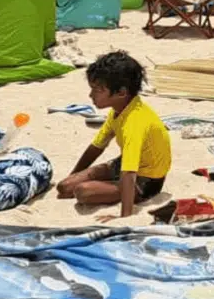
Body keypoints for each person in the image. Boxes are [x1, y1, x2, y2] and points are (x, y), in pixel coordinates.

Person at [57, 52, 170, 218]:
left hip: (146, 180)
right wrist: (73, 176)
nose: (91, 95)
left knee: (82, 192)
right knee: (64, 187)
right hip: (123, 165)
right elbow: (96, 147)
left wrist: (125, 217)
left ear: (121, 93)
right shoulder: (118, 110)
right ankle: (106, 187)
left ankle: (112, 190)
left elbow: (129, 173)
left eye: (97, 90)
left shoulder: (135, 121)